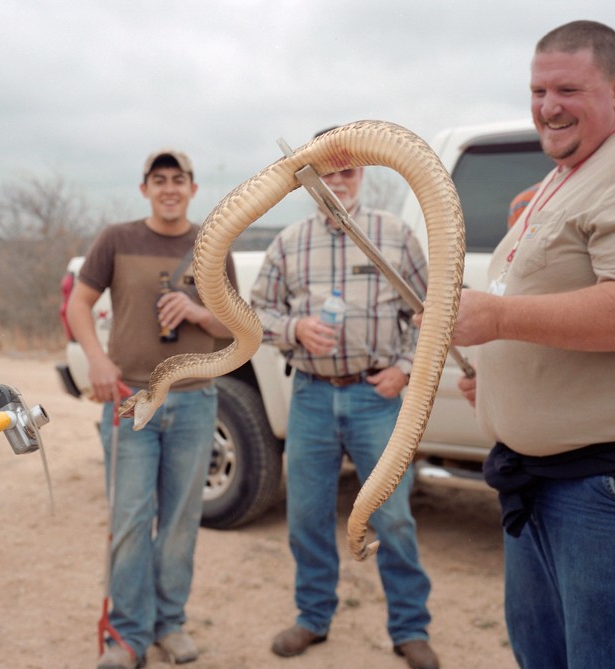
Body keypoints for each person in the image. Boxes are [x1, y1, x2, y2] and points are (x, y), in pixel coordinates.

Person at [451, 21, 615, 669]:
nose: (547, 106)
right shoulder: (564, 176)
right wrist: (498, 376)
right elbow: (558, 306)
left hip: (607, 497)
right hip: (543, 485)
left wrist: (495, 318)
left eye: (567, 88)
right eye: (538, 89)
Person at [249, 130, 440, 669]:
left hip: (376, 398)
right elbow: (252, 314)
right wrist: (295, 327)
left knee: (394, 517)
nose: (338, 183)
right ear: (310, 180)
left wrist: (404, 369)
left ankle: (410, 628)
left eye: (347, 172)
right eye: (327, 174)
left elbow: (430, 313)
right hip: (310, 396)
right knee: (307, 515)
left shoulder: (395, 236)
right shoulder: (289, 243)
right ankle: (312, 617)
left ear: (363, 175)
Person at [65, 150, 236, 669]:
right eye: (158, 180)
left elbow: (237, 327)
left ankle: (170, 624)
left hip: (194, 400)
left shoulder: (213, 245)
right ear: (144, 189)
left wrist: (200, 313)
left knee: (181, 521)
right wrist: (95, 359)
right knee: (132, 519)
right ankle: (127, 634)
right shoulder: (116, 239)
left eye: (177, 180)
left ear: (192, 188)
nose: (168, 188)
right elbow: (77, 303)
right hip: (130, 402)